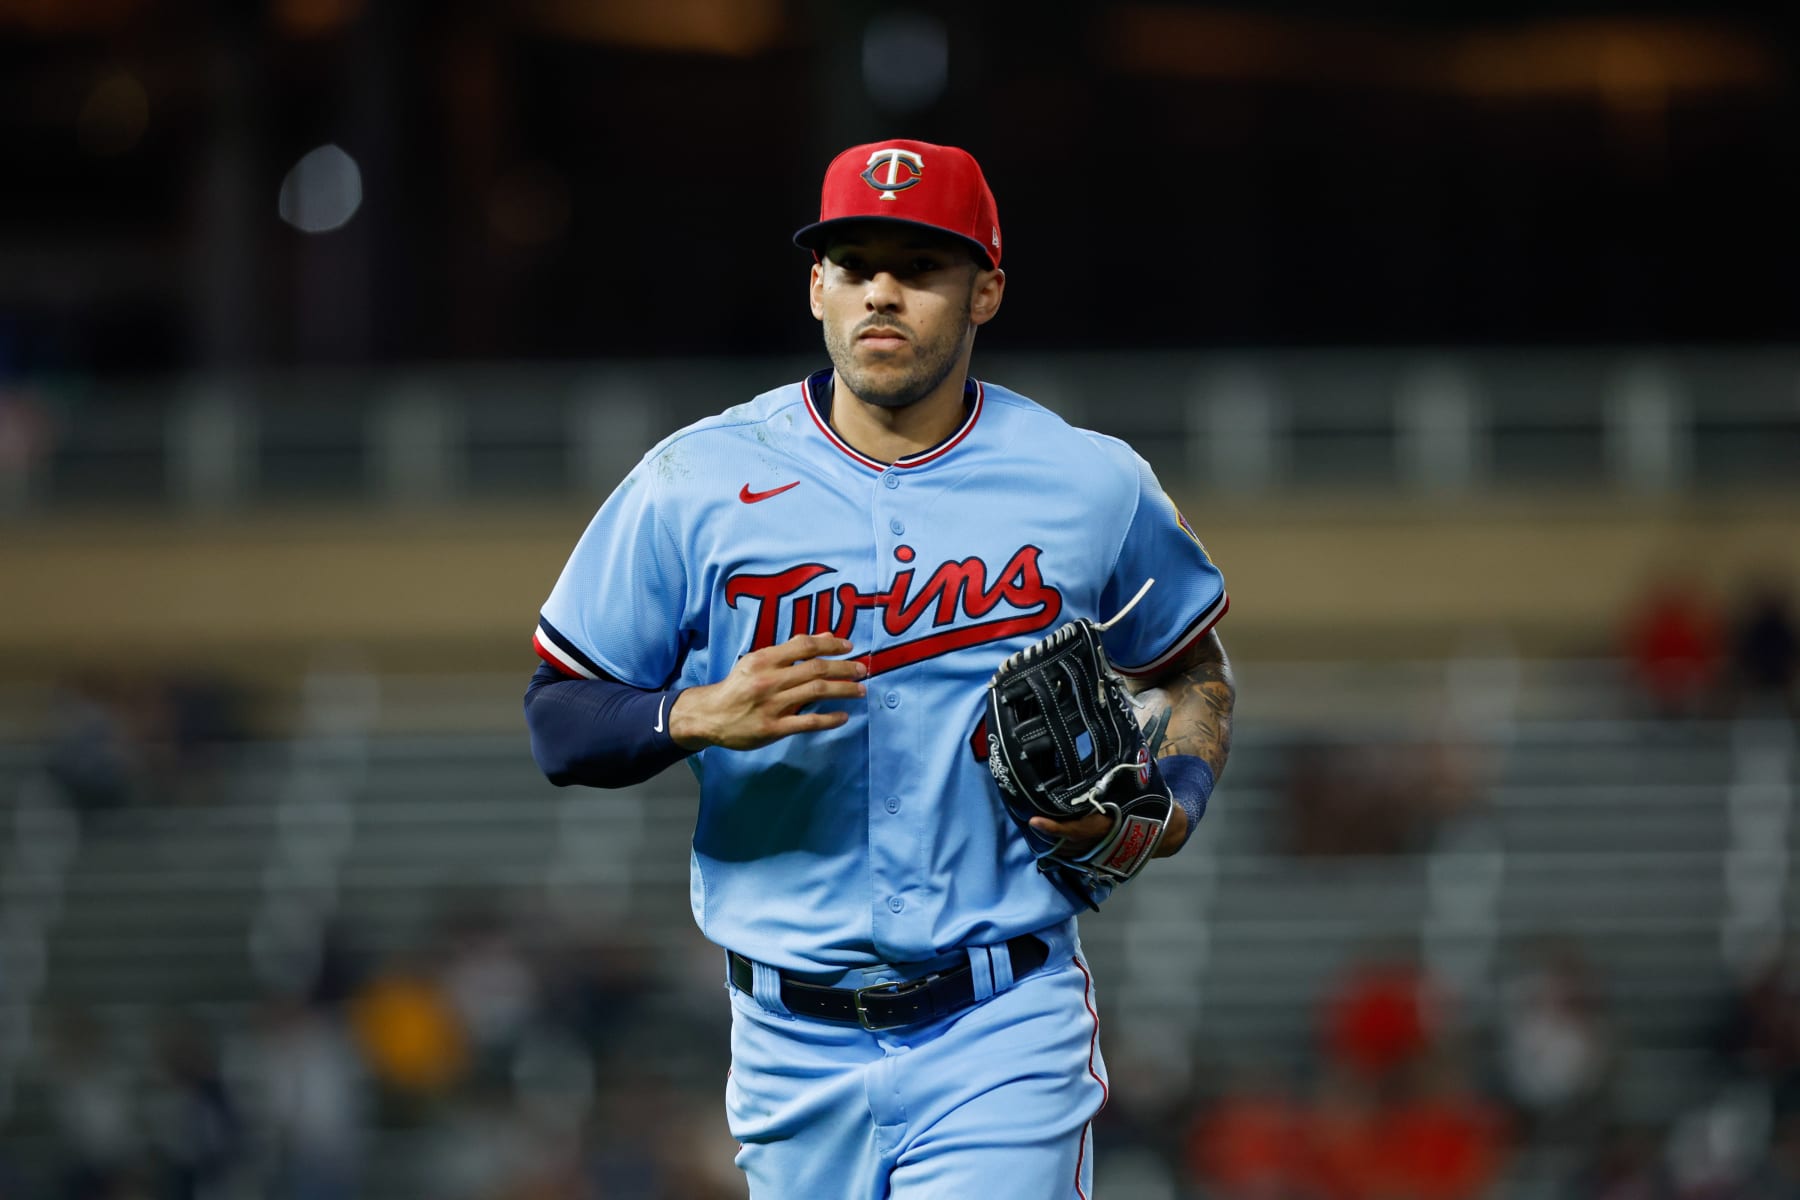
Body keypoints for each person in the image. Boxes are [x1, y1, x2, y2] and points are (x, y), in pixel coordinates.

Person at [523, 138, 1235, 1198]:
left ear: (986, 289)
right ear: (817, 287)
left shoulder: (1089, 484)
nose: (883, 294)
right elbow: (558, 719)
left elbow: (1193, 673)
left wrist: (1169, 803)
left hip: (1005, 1025)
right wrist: (688, 713)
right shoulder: (695, 479)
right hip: (785, 1042)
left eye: (922, 265)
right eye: (854, 266)